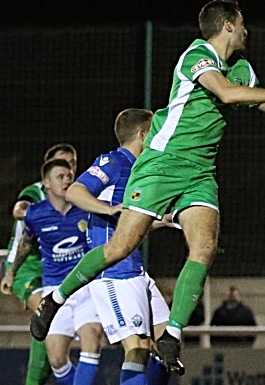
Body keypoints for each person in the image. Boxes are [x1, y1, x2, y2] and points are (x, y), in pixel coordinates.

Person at [30, 0, 265, 375]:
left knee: (204, 247)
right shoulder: (198, 55)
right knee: (120, 246)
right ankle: (55, 301)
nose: (246, 30)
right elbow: (227, 94)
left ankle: (171, 334)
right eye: (241, 23)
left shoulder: (242, 68)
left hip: (200, 172)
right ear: (226, 25)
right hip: (161, 163)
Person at [66, 108, 172, 384]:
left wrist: (166, 220)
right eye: (155, 130)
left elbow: (132, 220)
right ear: (143, 134)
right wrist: (108, 208)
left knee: (167, 341)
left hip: (136, 270)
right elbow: (75, 191)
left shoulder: (142, 169)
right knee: (136, 347)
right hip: (114, 273)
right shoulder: (114, 162)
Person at [4, 159, 103, 385]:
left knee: (93, 337)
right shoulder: (35, 214)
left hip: (86, 287)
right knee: (57, 360)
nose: (67, 180)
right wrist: (11, 273)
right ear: (46, 183)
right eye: (61, 177)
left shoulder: (86, 208)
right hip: (55, 292)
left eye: (69, 176)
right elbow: (26, 243)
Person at [2, 143, 77, 385]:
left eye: (73, 163)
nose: (70, 169)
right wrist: (27, 211)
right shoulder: (37, 192)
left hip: (57, 271)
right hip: (27, 269)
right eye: (63, 163)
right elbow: (21, 206)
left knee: (55, 343)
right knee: (46, 314)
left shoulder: (77, 194)